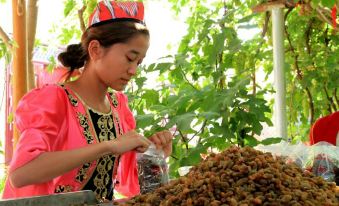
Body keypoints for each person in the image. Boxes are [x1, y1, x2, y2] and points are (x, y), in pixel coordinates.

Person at [2, 0, 173, 201]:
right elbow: (21, 174)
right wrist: (107, 146)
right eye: (129, 58)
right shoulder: (54, 100)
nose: (133, 70)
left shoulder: (119, 107)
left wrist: (154, 156)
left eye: (139, 62)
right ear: (95, 50)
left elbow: (131, 185)